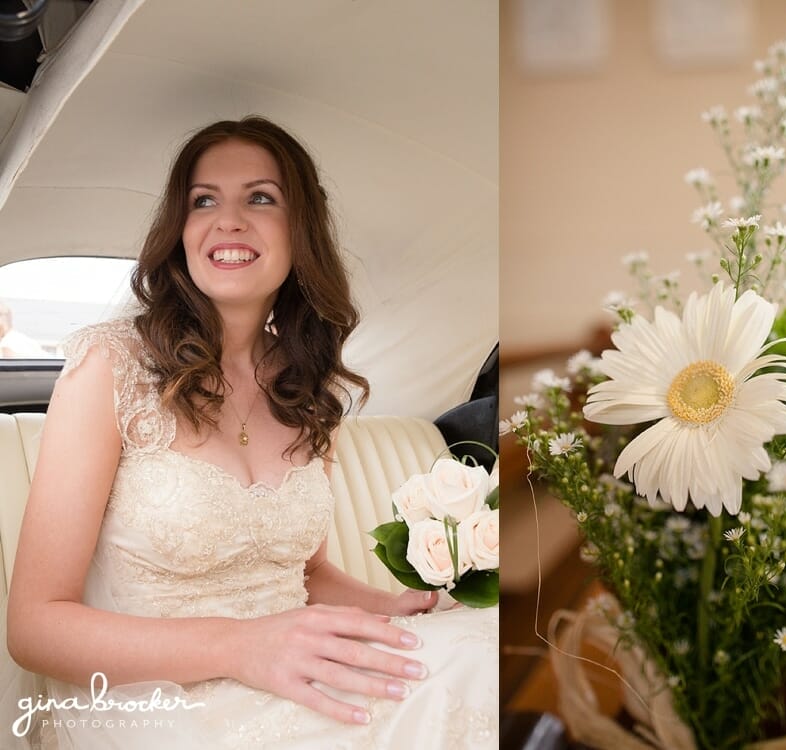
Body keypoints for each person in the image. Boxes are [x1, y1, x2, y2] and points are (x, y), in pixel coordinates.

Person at [2, 116, 498, 749]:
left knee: (497, 656)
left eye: (260, 198)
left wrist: (390, 607)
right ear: (180, 233)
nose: (228, 220)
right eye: (203, 200)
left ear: (300, 232)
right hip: (155, 701)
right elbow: (36, 629)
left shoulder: (308, 387)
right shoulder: (111, 366)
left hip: (291, 665)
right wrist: (243, 646)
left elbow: (306, 572)